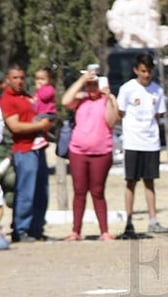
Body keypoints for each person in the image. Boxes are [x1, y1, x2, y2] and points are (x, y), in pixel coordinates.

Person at [61, 67, 120, 241]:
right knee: (79, 191)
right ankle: (75, 231)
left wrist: (108, 96)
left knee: (98, 191)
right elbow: (65, 101)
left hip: (101, 152)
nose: (92, 88)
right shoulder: (81, 100)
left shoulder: (108, 99)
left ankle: (104, 231)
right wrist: (82, 80)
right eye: (89, 85)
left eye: (95, 84)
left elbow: (111, 120)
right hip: (78, 151)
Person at [116, 52, 167, 237]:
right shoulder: (127, 89)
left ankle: (153, 220)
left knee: (149, 182)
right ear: (136, 70)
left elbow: (158, 115)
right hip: (132, 141)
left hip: (151, 142)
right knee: (130, 182)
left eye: (149, 71)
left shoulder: (157, 90)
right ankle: (128, 222)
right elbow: (119, 113)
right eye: (143, 71)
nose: (146, 75)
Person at [0, 64, 52, 242]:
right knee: (25, 192)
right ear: (8, 79)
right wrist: (40, 126)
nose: (19, 81)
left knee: (41, 192)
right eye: (15, 78)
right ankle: (20, 229)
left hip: (38, 148)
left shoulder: (28, 96)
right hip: (24, 149)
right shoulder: (8, 99)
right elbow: (15, 126)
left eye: (22, 77)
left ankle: (36, 228)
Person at [31, 66, 57, 151]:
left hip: (47, 113)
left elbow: (44, 97)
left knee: (35, 122)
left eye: (42, 79)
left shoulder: (49, 89)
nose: (39, 81)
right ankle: (41, 139)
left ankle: (40, 139)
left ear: (49, 80)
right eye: (37, 79)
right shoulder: (39, 90)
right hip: (41, 113)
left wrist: (39, 89)